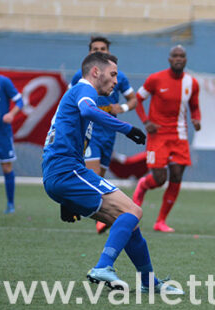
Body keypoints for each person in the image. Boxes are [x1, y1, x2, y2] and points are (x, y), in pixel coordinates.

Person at [42, 52, 183, 294]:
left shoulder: (77, 95)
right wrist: (126, 128)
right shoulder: (83, 90)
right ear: (95, 72)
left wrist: (67, 200)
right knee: (133, 211)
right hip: (66, 171)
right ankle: (103, 266)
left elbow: (63, 139)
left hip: (63, 175)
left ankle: (149, 282)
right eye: (113, 74)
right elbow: (87, 111)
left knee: (128, 224)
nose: (116, 80)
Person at [70, 35, 137, 234]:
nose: (99, 51)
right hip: (89, 132)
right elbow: (71, 100)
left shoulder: (119, 76)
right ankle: (100, 215)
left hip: (109, 134)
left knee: (99, 175)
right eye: (94, 49)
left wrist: (122, 107)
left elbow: (133, 99)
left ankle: (81, 206)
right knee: (92, 176)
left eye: (103, 48)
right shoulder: (80, 78)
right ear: (89, 53)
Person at [132, 45, 201, 233]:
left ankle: (160, 221)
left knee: (177, 175)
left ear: (186, 60)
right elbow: (137, 99)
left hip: (179, 135)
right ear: (169, 59)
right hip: (158, 136)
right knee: (159, 179)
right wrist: (146, 122)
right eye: (175, 56)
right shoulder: (155, 79)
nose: (178, 59)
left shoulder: (191, 83)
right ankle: (143, 184)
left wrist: (197, 119)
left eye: (182, 56)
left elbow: (194, 106)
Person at [0, 52, 24, 214]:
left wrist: (11, 114)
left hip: (1, 133)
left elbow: (20, 100)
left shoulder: (3, 82)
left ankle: (10, 204)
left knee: (6, 167)